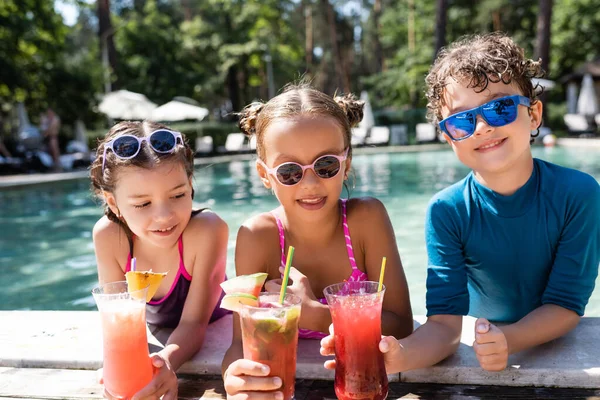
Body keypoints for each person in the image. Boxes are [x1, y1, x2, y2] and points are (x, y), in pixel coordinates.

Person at [321, 32, 600, 374]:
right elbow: (445, 325)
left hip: (550, 341)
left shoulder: (579, 193)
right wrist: (398, 355)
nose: (482, 127)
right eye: (462, 120)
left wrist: (508, 338)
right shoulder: (447, 211)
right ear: (448, 137)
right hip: (488, 335)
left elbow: (567, 304)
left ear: (534, 115)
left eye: (499, 108)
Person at [221, 83, 413, 399]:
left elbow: (402, 323)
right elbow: (242, 344)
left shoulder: (366, 220)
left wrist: (315, 315)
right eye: (289, 172)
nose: (310, 184)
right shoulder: (259, 237)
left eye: (325, 165)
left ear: (346, 163)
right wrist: (235, 379)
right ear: (264, 175)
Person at [90, 121, 229, 399]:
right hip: (161, 336)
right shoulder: (110, 237)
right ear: (113, 202)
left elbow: (193, 324)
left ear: (190, 186)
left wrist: (165, 361)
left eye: (178, 195)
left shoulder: (206, 231)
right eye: (142, 204)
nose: (164, 216)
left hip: (215, 331)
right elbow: (118, 322)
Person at [40, 107, 62, 171]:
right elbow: (43, 128)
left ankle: (58, 165)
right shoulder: (47, 119)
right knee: (49, 152)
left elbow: (50, 128)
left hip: (53, 137)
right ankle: (52, 165)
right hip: (48, 138)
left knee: (55, 151)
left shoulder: (55, 118)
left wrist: (45, 132)